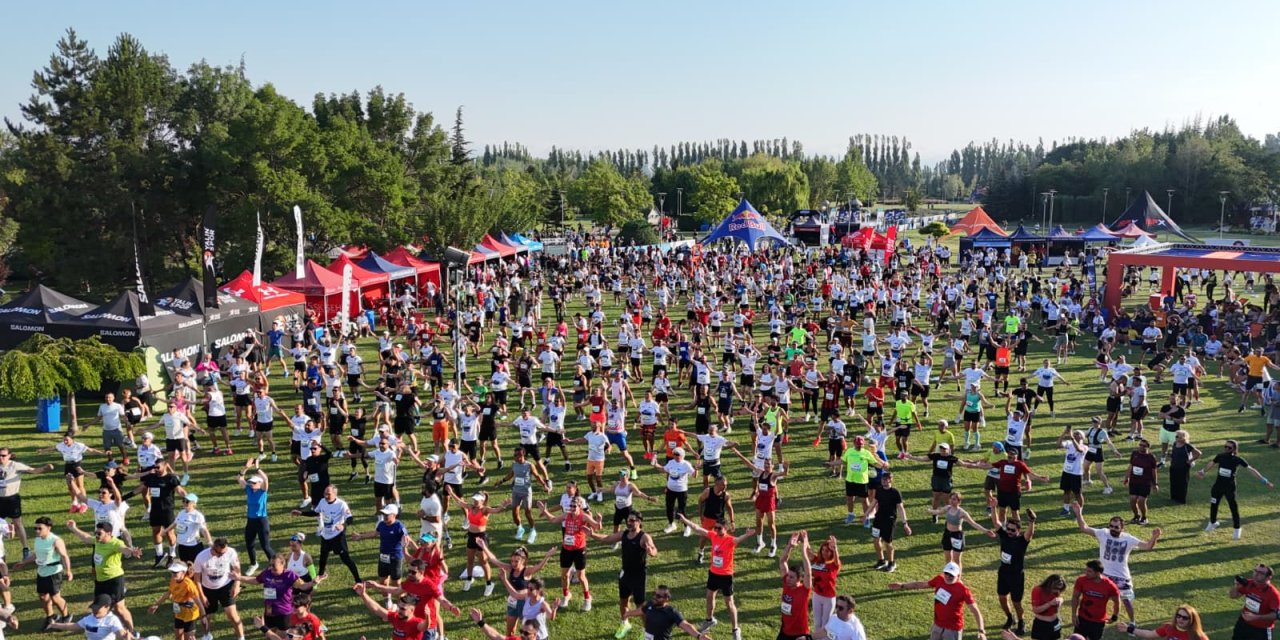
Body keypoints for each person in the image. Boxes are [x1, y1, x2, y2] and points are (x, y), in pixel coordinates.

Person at [1069, 504, 1158, 623]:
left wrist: (1154, 537)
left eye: (1116, 527)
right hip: (1104, 574)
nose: (1112, 529)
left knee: (1126, 600)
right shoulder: (1103, 533)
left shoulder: (1128, 539)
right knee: (1097, 596)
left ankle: (1132, 622)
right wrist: (1079, 514)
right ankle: (1095, 617)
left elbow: (1147, 547)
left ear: (1122, 528)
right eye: (1111, 526)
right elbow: (1084, 528)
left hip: (1122, 576)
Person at [677, 514, 755, 640]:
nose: (716, 530)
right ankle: (709, 620)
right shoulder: (713, 535)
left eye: (719, 528)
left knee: (729, 603)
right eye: (715, 528)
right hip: (713, 573)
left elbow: (739, 539)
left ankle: (735, 630)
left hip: (725, 576)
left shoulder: (730, 540)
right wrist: (685, 520)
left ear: (726, 528)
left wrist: (747, 535)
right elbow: (697, 528)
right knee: (709, 597)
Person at [588, 509, 658, 639]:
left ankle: (647, 632)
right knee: (623, 601)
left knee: (640, 606)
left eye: (632, 520)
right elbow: (608, 538)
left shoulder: (644, 537)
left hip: (638, 576)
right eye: (628, 520)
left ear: (639, 522)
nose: (629, 522)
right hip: (625, 574)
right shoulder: (624, 534)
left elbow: (654, 550)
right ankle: (625, 623)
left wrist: (650, 551)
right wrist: (592, 535)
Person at [63, 521, 143, 634]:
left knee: (119, 608)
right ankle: (104, 629)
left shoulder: (115, 543)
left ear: (109, 533)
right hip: (100, 580)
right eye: (96, 533)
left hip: (114, 580)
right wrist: (74, 528)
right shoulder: (97, 541)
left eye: (99, 533)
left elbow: (124, 549)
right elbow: (86, 537)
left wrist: (132, 552)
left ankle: (132, 631)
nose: (96, 535)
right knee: (98, 607)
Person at [888, 562, 986, 640]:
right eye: (946, 573)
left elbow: (975, 611)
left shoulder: (963, 590)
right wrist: (902, 585)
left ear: (958, 575)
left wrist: (981, 631)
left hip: (952, 629)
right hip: (937, 625)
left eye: (951, 575)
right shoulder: (940, 579)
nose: (948, 576)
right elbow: (921, 585)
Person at [1197, 439, 1274, 539]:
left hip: (1229, 487)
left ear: (1234, 449)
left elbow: (1251, 470)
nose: (1226, 449)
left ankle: (1237, 528)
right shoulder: (1220, 456)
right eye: (1225, 446)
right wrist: (1203, 471)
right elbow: (1211, 463)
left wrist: (1264, 481)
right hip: (1218, 486)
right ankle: (1212, 522)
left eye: (1229, 447)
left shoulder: (1238, 459)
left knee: (1233, 507)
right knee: (1214, 504)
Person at [538, 495, 601, 611]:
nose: (571, 508)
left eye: (574, 506)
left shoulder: (584, 517)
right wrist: (545, 511)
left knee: (581, 576)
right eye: (570, 506)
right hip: (566, 549)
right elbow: (553, 520)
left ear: (580, 507)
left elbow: (597, 527)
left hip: (579, 550)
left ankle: (587, 599)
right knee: (564, 575)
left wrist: (599, 521)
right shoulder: (566, 515)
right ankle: (566, 595)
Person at [290, 485, 361, 582]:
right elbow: (316, 512)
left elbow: (350, 518)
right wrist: (301, 513)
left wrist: (343, 526)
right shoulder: (322, 502)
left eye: (328, 494)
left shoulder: (341, 504)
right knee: (323, 557)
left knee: (346, 559)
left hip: (337, 536)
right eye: (325, 493)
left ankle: (358, 580)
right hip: (326, 535)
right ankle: (321, 574)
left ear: (335, 494)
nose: (326, 496)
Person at [12, 516, 72, 629]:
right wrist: (23, 562)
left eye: (40, 528)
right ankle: (51, 617)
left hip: (54, 572)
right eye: (35, 528)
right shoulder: (38, 539)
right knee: (43, 597)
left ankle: (66, 616)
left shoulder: (56, 540)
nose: (37, 531)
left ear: (49, 528)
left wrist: (68, 571)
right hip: (42, 572)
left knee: (55, 598)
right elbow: (36, 554)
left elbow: (64, 556)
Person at [0, 447, 57, 558]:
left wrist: (45, 468)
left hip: (12, 500)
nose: (1, 458)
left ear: (9, 455)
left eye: (3, 455)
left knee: (17, 523)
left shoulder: (15, 466)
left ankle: (25, 549)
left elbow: (33, 471)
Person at [989, 501, 1036, 634]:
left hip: (1016, 576)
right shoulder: (1004, 536)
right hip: (1003, 573)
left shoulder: (1021, 541)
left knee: (1017, 603)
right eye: (1008, 529)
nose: (1009, 531)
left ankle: (1021, 622)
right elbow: (996, 523)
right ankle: (1010, 618)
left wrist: (1032, 521)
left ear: (1018, 531)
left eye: (1012, 530)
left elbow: (1029, 534)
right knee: (1002, 598)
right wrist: (993, 508)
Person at [350, 504, 410, 598]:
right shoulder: (381, 524)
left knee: (396, 583)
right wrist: (360, 536)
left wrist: (411, 547)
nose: (385, 517)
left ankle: (402, 602)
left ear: (394, 515)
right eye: (384, 514)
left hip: (395, 558)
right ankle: (387, 600)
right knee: (382, 581)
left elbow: (406, 538)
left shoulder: (399, 526)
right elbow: (375, 533)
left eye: (387, 515)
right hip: (383, 557)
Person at [191, 538, 245, 640]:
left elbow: (237, 570)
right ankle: (207, 635)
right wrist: (202, 596)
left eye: (224, 553)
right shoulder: (201, 557)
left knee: (233, 615)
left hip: (226, 587)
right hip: (208, 589)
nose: (222, 555)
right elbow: (197, 579)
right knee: (206, 616)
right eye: (219, 553)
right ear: (213, 548)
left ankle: (241, 637)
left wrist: (237, 585)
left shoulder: (230, 552)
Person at [928, 491, 996, 568]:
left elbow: (973, 524)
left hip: (957, 536)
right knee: (947, 559)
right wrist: (930, 511)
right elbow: (939, 512)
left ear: (959, 501)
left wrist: (986, 531)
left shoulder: (962, 513)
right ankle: (948, 575)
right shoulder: (947, 508)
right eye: (951, 499)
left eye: (954, 499)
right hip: (947, 534)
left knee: (957, 560)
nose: (951, 501)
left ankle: (958, 577)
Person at [351, 582, 438, 640]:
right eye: (399, 607)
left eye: (403, 609)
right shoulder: (396, 617)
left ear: (412, 610)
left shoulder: (416, 623)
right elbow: (377, 609)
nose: (399, 610)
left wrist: (427, 617)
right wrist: (363, 595)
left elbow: (425, 627)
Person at [620, 584, 709, 640]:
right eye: (655, 594)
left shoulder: (671, 612)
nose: (655, 597)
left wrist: (699, 636)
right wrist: (628, 613)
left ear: (666, 599)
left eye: (658, 596)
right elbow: (641, 611)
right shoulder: (650, 604)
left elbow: (686, 625)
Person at [147, 562, 203, 640]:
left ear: (183, 572)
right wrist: (156, 604)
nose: (173, 574)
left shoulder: (188, 584)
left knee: (189, 638)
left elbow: (197, 599)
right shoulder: (174, 580)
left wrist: (203, 614)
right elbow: (168, 594)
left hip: (189, 613)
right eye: (172, 572)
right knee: (178, 637)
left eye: (175, 572)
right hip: (178, 611)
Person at [237, 459, 274, 576]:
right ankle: (253, 564)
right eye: (251, 482)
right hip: (251, 521)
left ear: (260, 483)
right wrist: (246, 467)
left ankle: (276, 564)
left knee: (265, 546)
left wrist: (257, 468)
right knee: (249, 544)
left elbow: (266, 479)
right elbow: (239, 478)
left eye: (254, 483)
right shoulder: (249, 489)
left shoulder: (263, 491)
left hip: (262, 521)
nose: (251, 484)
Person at [868, 473, 911, 573]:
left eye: (886, 479)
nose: (883, 481)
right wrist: (866, 514)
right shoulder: (879, 490)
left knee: (888, 543)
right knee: (875, 540)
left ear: (890, 480)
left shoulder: (895, 492)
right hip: (878, 519)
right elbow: (874, 503)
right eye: (883, 479)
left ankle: (892, 562)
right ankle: (881, 560)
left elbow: (900, 508)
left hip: (889, 520)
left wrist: (905, 523)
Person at [776, 531, 814, 640]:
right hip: (785, 630)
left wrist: (804, 551)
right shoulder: (786, 584)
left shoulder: (804, 590)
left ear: (799, 579)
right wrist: (789, 546)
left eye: (792, 577)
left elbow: (808, 573)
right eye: (788, 576)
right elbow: (782, 561)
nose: (787, 578)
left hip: (799, 634)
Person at [1070, 560, 1120, 640]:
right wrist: (1073, 614)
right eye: (1086, 570)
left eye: (1089, 571)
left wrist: (1114, 616)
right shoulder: (1081, 580)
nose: (1086, 573)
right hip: (1082, 619)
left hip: (1098, 622)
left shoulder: (1110, 586)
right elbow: (1075, 597)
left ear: (1098, 573)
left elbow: (1116, 601)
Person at [1229, 563, 1280, 640]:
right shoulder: (1249, 583)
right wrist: (1236, 587)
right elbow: (1233, 596)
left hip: (1261, 629)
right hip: (1243, 624)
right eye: (1256, 571)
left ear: (1269, 577)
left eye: (1261, 573)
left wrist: (1257, 617)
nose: (1256, 574)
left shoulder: (1273, 594)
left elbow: (1277, 615)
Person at [45, 594, 127, 640]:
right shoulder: (89, 619)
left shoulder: (112, 620)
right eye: (93, 607)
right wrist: (54, 625)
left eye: (97, 608)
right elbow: (73, 626)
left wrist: (126, 637)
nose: (94, 610)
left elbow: (120, 633)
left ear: (107, 607)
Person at [1113, 604, 1207, 640]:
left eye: (1185, 618)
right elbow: (1149, 634)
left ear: (1192, 620)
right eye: (1178, 616)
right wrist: (1129, 629)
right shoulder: (1168, 627)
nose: (1180, 619)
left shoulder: (1198, 636)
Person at [809, 535, 842, 637]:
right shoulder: (816, 561)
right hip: (817, 595)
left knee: (825, 625)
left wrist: (835, 548)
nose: (824, 552)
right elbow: (807, 551)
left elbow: (837, 561)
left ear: (831, 552)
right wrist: (805, 540)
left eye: (827, 550)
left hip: (828, 597)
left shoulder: (834, 565)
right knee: (817, 623)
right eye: (823, 550)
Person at [166, 494, 212, 564]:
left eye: (187, 501)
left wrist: (210, 542)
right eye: (183, 501)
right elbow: (175, 523)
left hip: (193, 546)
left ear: (194, 504)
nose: (184, 503)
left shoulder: (197, 515)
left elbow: (204, 530)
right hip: (182, 545)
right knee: (185, 566)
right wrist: (165, 531)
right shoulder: (181, 513)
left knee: (196, 566)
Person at [1166, 431, 1201, 504]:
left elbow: (1198, 453)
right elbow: (1174, 453)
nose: (1176, 438)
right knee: (1173, 482)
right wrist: (1170, 455)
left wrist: (1190, 460)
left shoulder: (1187, 446)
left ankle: (1181, 499)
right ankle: (1174, 497)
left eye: (1178, 436)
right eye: (1176, 436)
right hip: (1174, 466)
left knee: (1182, 483)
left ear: (1183, 438)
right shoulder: (1175, 444)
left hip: (1183, 467)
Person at [1029, 575, 1068, 640]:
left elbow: (1058, 599)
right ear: (1050, 584)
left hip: (1055, 623)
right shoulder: (1038, 590)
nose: (1058, 591)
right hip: (1042, 624)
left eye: (1060, 589)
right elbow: (1036, 610)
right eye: (1056, 589)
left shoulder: (1056, 590)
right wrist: (1050, 603)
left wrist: (1061, 600)